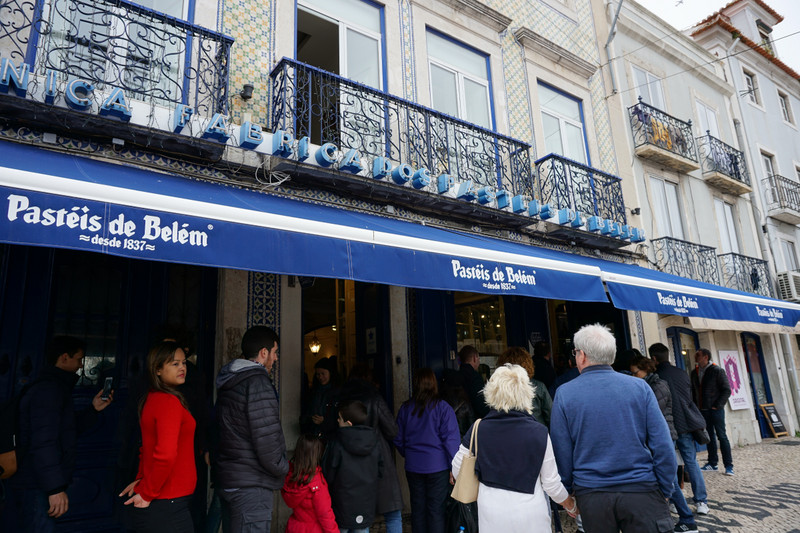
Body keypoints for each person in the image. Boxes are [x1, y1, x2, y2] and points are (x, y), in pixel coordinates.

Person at [551, 325, 675, 533]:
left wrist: (569, 494)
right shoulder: (640, 387)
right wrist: (665, 487)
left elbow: (562, 451)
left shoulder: (564, 394)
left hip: (592, 494)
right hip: (642, 489)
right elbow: (662, 444)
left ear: (581, 356)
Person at [452, 363, 577, 532]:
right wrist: (569, 504)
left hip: (491, 513)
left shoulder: (478, 429)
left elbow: (457, 469)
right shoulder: (539, 432)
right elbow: (551, 484)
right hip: (531, 514)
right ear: (526, 392)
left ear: (491, 392)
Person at [6, 336, 113, 533]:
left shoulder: (54, 387)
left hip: (35, 481)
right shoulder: (49, 390)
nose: (81, 365)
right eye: (79, 359)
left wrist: (93, 409)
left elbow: (66, 430)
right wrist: (54, 488)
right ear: (64, 358)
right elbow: (43, 442)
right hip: (35, 483)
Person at [215, 326, 288, 533]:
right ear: (264, 353)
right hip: (251, 487)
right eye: (275, 353)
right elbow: (267, 440)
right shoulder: (258, 382)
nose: (275, 359)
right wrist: (284, 467)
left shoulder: (231, 380)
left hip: (230, 480)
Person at [121, 341, 197, 532]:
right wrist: (147, 493)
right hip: (167, 500)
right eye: (174, 364)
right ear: (157, 370)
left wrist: (142, 480)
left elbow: (147, 447)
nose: (182, 368)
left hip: (166, 498)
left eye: (184, 363)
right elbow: (165, 454)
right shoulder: (167, 401)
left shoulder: (155, 397)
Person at [631, 355, 698, 533]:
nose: (633, 376)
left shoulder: (657, 386)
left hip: (664, 436)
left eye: (635, 372)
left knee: (669, 479)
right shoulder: (650, 384)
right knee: (668, 477)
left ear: (645, 369)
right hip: (662, 435)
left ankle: (687, 519)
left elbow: (651, 413)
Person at [338, 367, 404, 533]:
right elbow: (392, 430)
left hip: (347, 461)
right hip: (378, 457)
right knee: (393, 514)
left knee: (358, 518)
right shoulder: (374, 397)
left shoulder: (340, 398)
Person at [395, 368, 460, 533]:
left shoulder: (405, 408)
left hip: (413, 466)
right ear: (434, 384)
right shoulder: (443, 408)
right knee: (435, 511)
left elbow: (397, 438)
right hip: (438, 467)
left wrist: (408, 453)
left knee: (418, 510)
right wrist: (454, 467)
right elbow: (451, 441)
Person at [651, 342, 710, 516]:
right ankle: (701, 502)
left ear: (654, 358)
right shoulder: (681, 372)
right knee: (691, 462)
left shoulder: (657, 377)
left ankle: (675, 502)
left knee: (670, 464)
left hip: (669, 426)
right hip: (686, 424)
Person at [322, 400, 381, 533]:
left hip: (341, 505)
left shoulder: (336, 444)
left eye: (340, 418)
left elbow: (328, 475)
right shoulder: (374, 442)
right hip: (366, 503)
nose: (337, 420)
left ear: (348, 423)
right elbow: (380, 470)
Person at [281, 434, 338, 533]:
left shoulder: (291, 476)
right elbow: (325, 515)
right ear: (316, 455)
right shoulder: (317, 482)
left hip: (294, 527)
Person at [691, 348, 733, 476]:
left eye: (698, 355)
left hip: (715, 410)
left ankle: (729, 465)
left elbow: (726, 390)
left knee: (722, 436)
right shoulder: (694, 372)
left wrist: (717, 405)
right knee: (708, 437)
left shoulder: (717, 370)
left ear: (706, 357)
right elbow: (693, 390)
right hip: (702, 410)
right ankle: (712, 463)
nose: (696, 357)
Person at [497, 347, 552, 426]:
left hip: (507, 432)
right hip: (536, 431)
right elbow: (550, 416)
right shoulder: (538, 387)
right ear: (528, 364)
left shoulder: (498, 388)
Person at [301, 357, 340, 442]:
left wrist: (324, 421)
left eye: (323, 373)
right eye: (318, 374)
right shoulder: (313, 392)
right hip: (313, 435)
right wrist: (310, 419)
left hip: (330, 437)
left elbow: (340, 417)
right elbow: (306, 411)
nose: (320, 377)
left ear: (330, 373)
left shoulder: (338, 392)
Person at [457, 346, 489, 418]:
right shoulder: (475, 378)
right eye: (479, 358)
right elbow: (481, 407)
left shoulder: (456, 376)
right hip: (472, 421)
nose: (479, 362)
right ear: (475, 358)